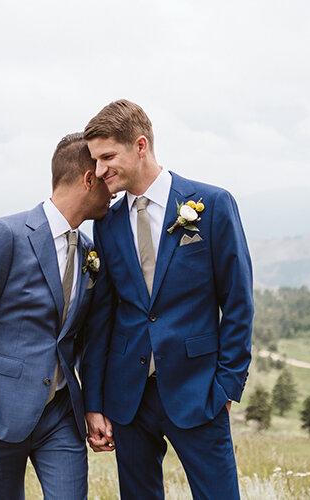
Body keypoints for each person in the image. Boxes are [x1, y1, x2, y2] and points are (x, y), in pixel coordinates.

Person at [81, 100, 253, 499]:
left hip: (199, 391)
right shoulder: (106, 224)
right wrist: (95, 401)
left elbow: (239, 302)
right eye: (95, 159)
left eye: (108, 157)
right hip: (128, 399)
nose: (100, 170)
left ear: (140, 146)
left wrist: (227, 386)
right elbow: (101, 319)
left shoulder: (212, 206)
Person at [0, 132, 113, 499]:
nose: (113, 188)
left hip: (60, 417)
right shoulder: (4, 235)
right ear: (88, 179)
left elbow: (85, 338)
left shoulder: (89, 251)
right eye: (105, 177)